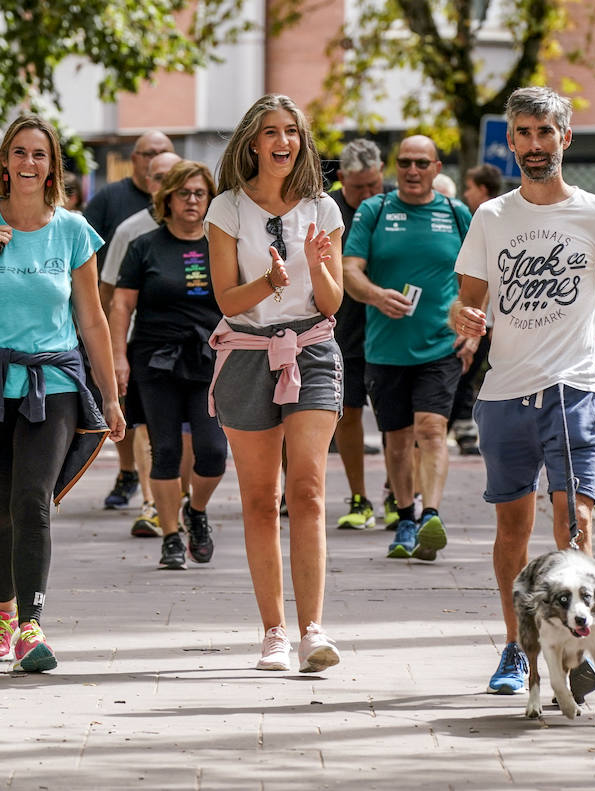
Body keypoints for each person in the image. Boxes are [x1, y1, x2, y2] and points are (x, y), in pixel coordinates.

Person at [449, 87, 595, 695]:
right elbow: (468, 300)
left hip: (574, 388)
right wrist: (464, 320)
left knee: (575, 521)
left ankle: (581, 648)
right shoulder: (492, 218)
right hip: (505, 392)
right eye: (524, 135)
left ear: (566, 138)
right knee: (511, 529)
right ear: (512, 143)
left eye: (545, 133)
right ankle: (517, 648)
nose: (535, 146)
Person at [0, 113, 125, 673]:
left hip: (55, 383)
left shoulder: (74, 231)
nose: (29, 163)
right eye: (19, 153)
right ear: (5, 164)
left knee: (32, 500)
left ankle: (31, 629)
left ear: (52, 166)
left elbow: (92, 321)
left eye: (39, 154)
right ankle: (3, 611)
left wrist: (110, 397)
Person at [205, 93, 345, 673]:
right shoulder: (226, 209)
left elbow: (334, 299)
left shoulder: (325, 210)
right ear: (252, 143)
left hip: (312, 349)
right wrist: (268, 282)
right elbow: (226, 299)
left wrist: (316, 267)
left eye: (292, 131)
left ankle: (314, 629)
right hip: (246, 353)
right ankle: (274, 633)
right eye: (270, 132)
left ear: (301, 141)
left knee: (308, 492)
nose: (282, 141)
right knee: (261, 502)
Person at [342, 135, 472, 561]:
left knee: (432, 430)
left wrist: (471, 326)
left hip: (439, 346)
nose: (412, 171)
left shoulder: (456, 214)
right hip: (384, 349)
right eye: (405, 163)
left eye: (421, 163)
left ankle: (431, 513)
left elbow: (479, 277)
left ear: (437, 168)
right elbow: (348, 270)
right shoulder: (375, 211)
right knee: (396, 442)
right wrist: (377, 295)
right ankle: (406, 519)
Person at [109, 160, 227, 570]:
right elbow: (122, 303)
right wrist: (118, 357)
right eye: (184, 193)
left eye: (200, 193)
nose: (193, 201)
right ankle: (172, 537)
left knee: (212, 452)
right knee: (166, 451)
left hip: (209, 358)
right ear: (168, 199)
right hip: (155, 360)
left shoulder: (221, 244)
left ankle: (197, 510)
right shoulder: (146, 246)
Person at [87, 131, 175, 513]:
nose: (155, 162)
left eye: (163, 154)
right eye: (148, 155)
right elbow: (89, 260)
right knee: (129, 409)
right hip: (125, 323)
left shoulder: (195, 210)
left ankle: (170, 493)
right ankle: (130, 474)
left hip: (176, 330)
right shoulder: (112, 202)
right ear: (136, 159)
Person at [100, 151, 185, 538]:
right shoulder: (130, 231)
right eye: (159, 177)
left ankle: (181, 504)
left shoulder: (207, 226)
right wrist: (109, 349)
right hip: (142, 346)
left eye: (175, 176)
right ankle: (152, 504)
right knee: (149, 429)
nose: (167, 184)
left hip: (194, 350)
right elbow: (108, 292)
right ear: (148, 183)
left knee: (188, 438)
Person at [326, 139, 386, 530]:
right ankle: (359, 497)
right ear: (342, 177)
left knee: (395, 419)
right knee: (348, 413)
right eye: (358, 187)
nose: (366, 195)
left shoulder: (394, 203)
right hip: (343, 327)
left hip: (389, 327)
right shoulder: (326, 206)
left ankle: (398, 494)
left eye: (373, 186)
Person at [449, 163, 505, 456]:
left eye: (469, 188)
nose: (465, 194)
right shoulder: (490, 218)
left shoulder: (489, 220)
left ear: (482, 190)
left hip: (488, 319)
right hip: (488, 319)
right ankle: (463, 429)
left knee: (465, 372)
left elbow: (483, 279)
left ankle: (463, 429)